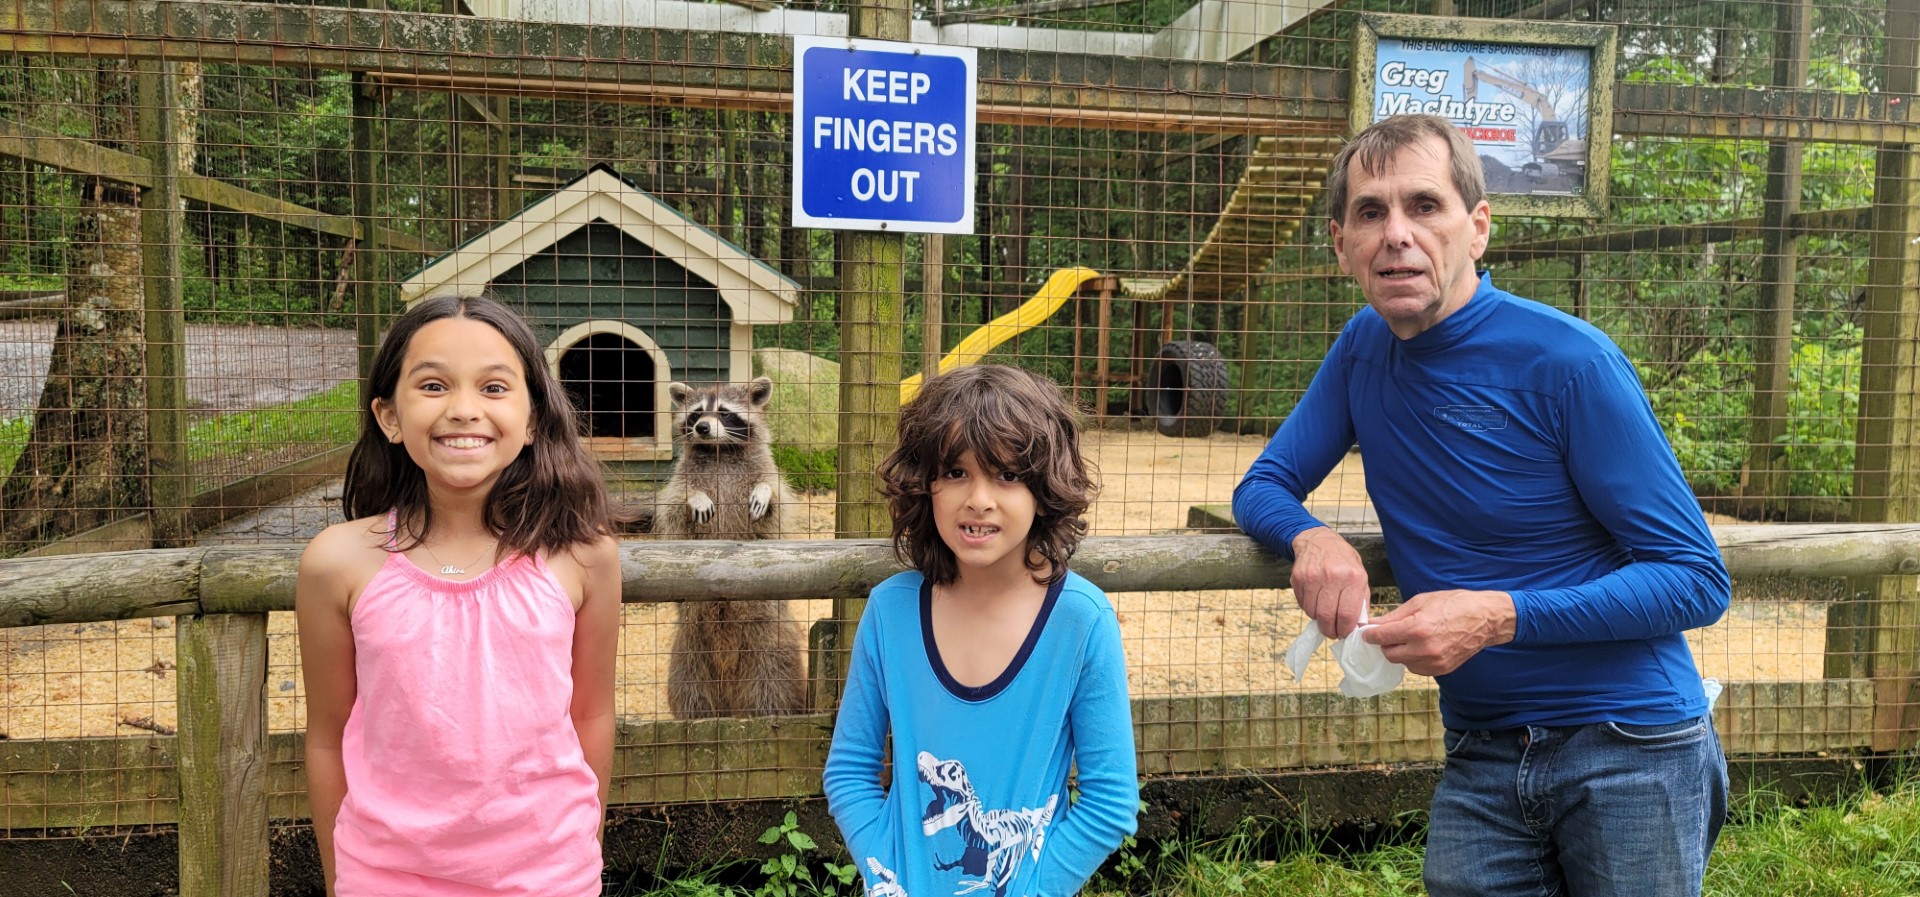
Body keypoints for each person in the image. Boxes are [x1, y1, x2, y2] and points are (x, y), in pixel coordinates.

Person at [1232, 114, 1731, 897]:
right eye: (1371, 212)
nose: (1397, 233)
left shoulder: (1569, 362)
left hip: (1631, 740)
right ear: (1340, 243)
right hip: (1483, 749)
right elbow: (1262, 484)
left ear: (1478, 228)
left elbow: (1698, 580)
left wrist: (1498, 616)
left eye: (1424, 206)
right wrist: (1311, 535)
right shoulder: (1363, 348)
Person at [297, 294, 621, 897]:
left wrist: (581, 851)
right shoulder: (336, 564)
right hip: (386, 876)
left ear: (532, 419)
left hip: (549, 874)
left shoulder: (584, 555)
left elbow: (592, 714)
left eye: (495, 388)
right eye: (434, 385)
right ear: (390, 417)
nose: (464, 410)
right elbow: (326, 735)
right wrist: (343, 878)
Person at [824, 364, 1139, 897]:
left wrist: (1034, 890)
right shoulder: (889, 612)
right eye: (955, 472)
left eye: (1008, 476)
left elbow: (1110, 804)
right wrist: (887, 876)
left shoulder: (1082, 622)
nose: (979, 499)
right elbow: (849, 772)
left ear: (1045, 489)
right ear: (925, 484)